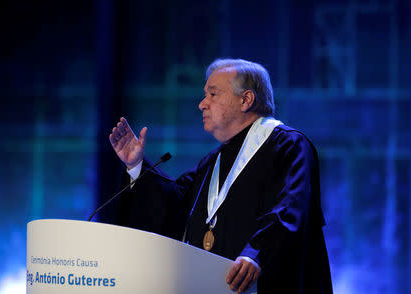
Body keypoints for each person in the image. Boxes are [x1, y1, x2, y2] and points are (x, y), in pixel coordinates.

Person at [109, 58, 333, 293]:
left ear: (246, 99)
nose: (202, 104)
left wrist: (257, 252)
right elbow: (174, 205)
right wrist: (136, 166)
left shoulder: (288, 146)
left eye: (212, 94)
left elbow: (291, 209)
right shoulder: (213, 162)